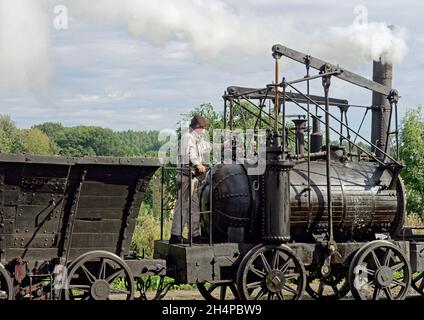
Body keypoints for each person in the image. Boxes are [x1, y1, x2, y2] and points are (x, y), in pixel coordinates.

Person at [169, 115, 210, 244]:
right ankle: (176, 235)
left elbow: (207, 146)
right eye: (203, 128)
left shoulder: (197, 139)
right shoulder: (188, 138)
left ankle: (194, 234)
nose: (204, 131)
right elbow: (190, 154)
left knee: (194, 206)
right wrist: (198, 164)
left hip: (193, 178)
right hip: (186, 176)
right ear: (198, 127)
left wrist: (222, 146)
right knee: (183, 205)